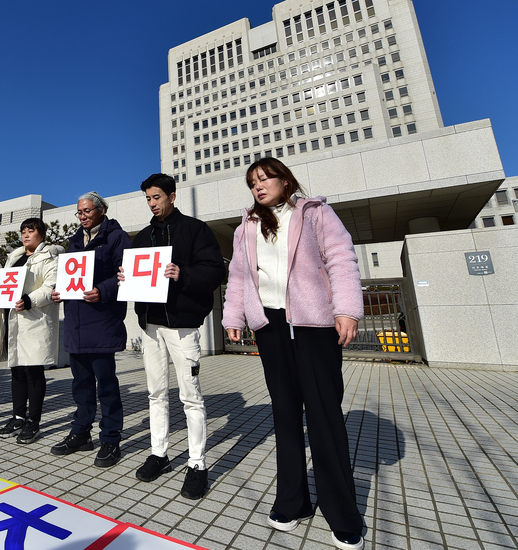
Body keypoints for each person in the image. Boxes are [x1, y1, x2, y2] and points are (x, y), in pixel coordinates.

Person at [221, 158, 365, 550]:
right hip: (269, 328)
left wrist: (347, 309)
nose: (258, 186)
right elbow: (238, 275)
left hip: (313, 325)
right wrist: (233, 314)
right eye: (252, 182)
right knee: (284, 413)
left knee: (323, 414)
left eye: (265, 179)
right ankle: (293, 501)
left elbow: (341, 259)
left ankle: (342, 514)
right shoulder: (247, 226)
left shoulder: (315, 213)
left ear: (286, 181)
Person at [123, 173, 225, 500]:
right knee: (155, 393)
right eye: (148, 199)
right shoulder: (142, 238)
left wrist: (183, 273)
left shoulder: (196, 230)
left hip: (182, 328)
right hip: (151, 327)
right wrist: (125, 276)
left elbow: (214, 271)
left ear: (172, 196)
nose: (152, 204)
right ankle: (159, 454)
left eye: (157, 197)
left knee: (190, 395)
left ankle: (197, 463)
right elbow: (133, 277)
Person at [50, 192, 130, 468]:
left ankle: (110, 437)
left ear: (101, 210)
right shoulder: (74, 240)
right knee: (80, 384)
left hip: (102, 320)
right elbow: (68, 275)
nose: (83, 216)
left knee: (106, 385)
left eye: (87, 211)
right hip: (76, 321)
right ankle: (81, 432)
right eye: (79, 212)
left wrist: (103, 290)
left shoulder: (116, 237)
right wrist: (59, 290)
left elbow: (126, 274)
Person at [0, 218, 61, 445]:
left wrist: (29, 300)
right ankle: (18, 417)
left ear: (41, 234)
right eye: (23, 231)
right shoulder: (14, 257)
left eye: (30, 231)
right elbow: (5, 284)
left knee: (33, 372)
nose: (25, 235)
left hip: (34, 321)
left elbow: (51, 286)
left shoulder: (50, 256)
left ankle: (34, 422)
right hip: (14, 322)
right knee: (17, 371)